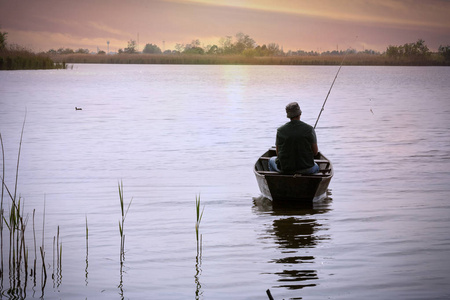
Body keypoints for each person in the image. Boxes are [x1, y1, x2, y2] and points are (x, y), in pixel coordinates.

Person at [268, 102, 320, 174]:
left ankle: (278, 181)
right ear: (300, 114)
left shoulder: (280, 130)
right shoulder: (309, 129)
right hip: (306, 169)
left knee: (271, 160)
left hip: (285, 169)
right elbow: (315, 152)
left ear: (288, 116)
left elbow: (278, 153)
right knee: (316, 166)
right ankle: (310, 183)